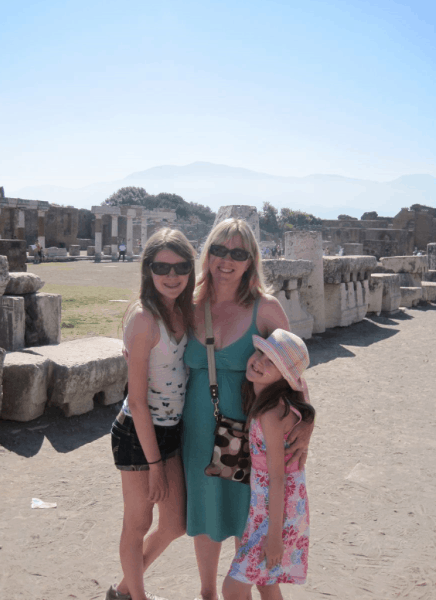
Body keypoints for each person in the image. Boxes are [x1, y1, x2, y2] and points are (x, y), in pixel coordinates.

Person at [182, 218, 314, 600]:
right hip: (197, 430)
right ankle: (207, 594)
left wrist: (308, 422)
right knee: (206, 515)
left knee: (249, 515)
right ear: (208, 254)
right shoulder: (189, 305)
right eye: (220, 250)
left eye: (237, 253)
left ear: (250, 260)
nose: (226, 260)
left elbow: (294, 370)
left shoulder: (265, 308)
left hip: (249, 435)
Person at [106, 228, 196, 600]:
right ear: (149, 270)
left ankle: (124, 591)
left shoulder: (182, 310)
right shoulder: (143, 320)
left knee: (174, 524)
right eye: (162, 267)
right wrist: (155, 465)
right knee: (139, 522)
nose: (171, 276)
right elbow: (138, 401)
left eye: (180, 267)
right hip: (138, 432)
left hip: (169, 430)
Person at [223, 329, 315, 600]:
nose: (259, 361)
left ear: (284, 377)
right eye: (261, 353)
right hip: (271, 508)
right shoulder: (273, 405)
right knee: (265, 583)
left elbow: (278, 477)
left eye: (271, 362)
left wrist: (274, 535)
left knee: (233, 589)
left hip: (275, 512)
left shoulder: (271, 414)